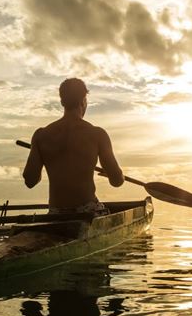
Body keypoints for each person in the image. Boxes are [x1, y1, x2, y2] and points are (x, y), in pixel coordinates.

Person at [22, 78, 124, 214]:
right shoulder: (97, 134)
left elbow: (30, 181)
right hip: (87, 211)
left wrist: (44, 159)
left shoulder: (41, 135)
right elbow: (117, 181)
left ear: (62, 102)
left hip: (55, 212)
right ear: (83, 101)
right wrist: (116, 174)